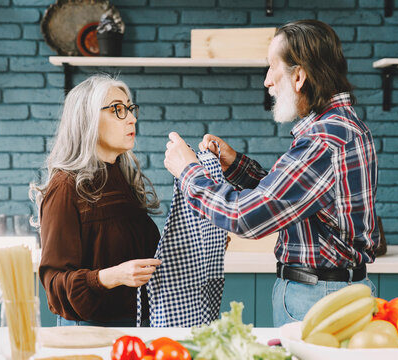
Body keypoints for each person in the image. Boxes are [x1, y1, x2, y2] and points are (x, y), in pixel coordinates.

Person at [163, 19, 379, 327]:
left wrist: (188, 172)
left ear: (299, 76)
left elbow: (245, 218)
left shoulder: (322, 141)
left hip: (318, 297)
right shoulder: (346, 127)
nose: (267, 81)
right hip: (336, 291)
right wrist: (235, 164)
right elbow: (299, 199)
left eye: (271, 67)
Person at [31, 75, 162, 327]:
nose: (132, 118)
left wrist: (196, 245)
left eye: (130, 108)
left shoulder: (120, 177)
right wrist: (109, 277)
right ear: (87, 120)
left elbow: (139, 258)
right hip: (91, 332)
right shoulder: (65, 187)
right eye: (117, 110)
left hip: (138, 326)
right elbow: (54, 284)